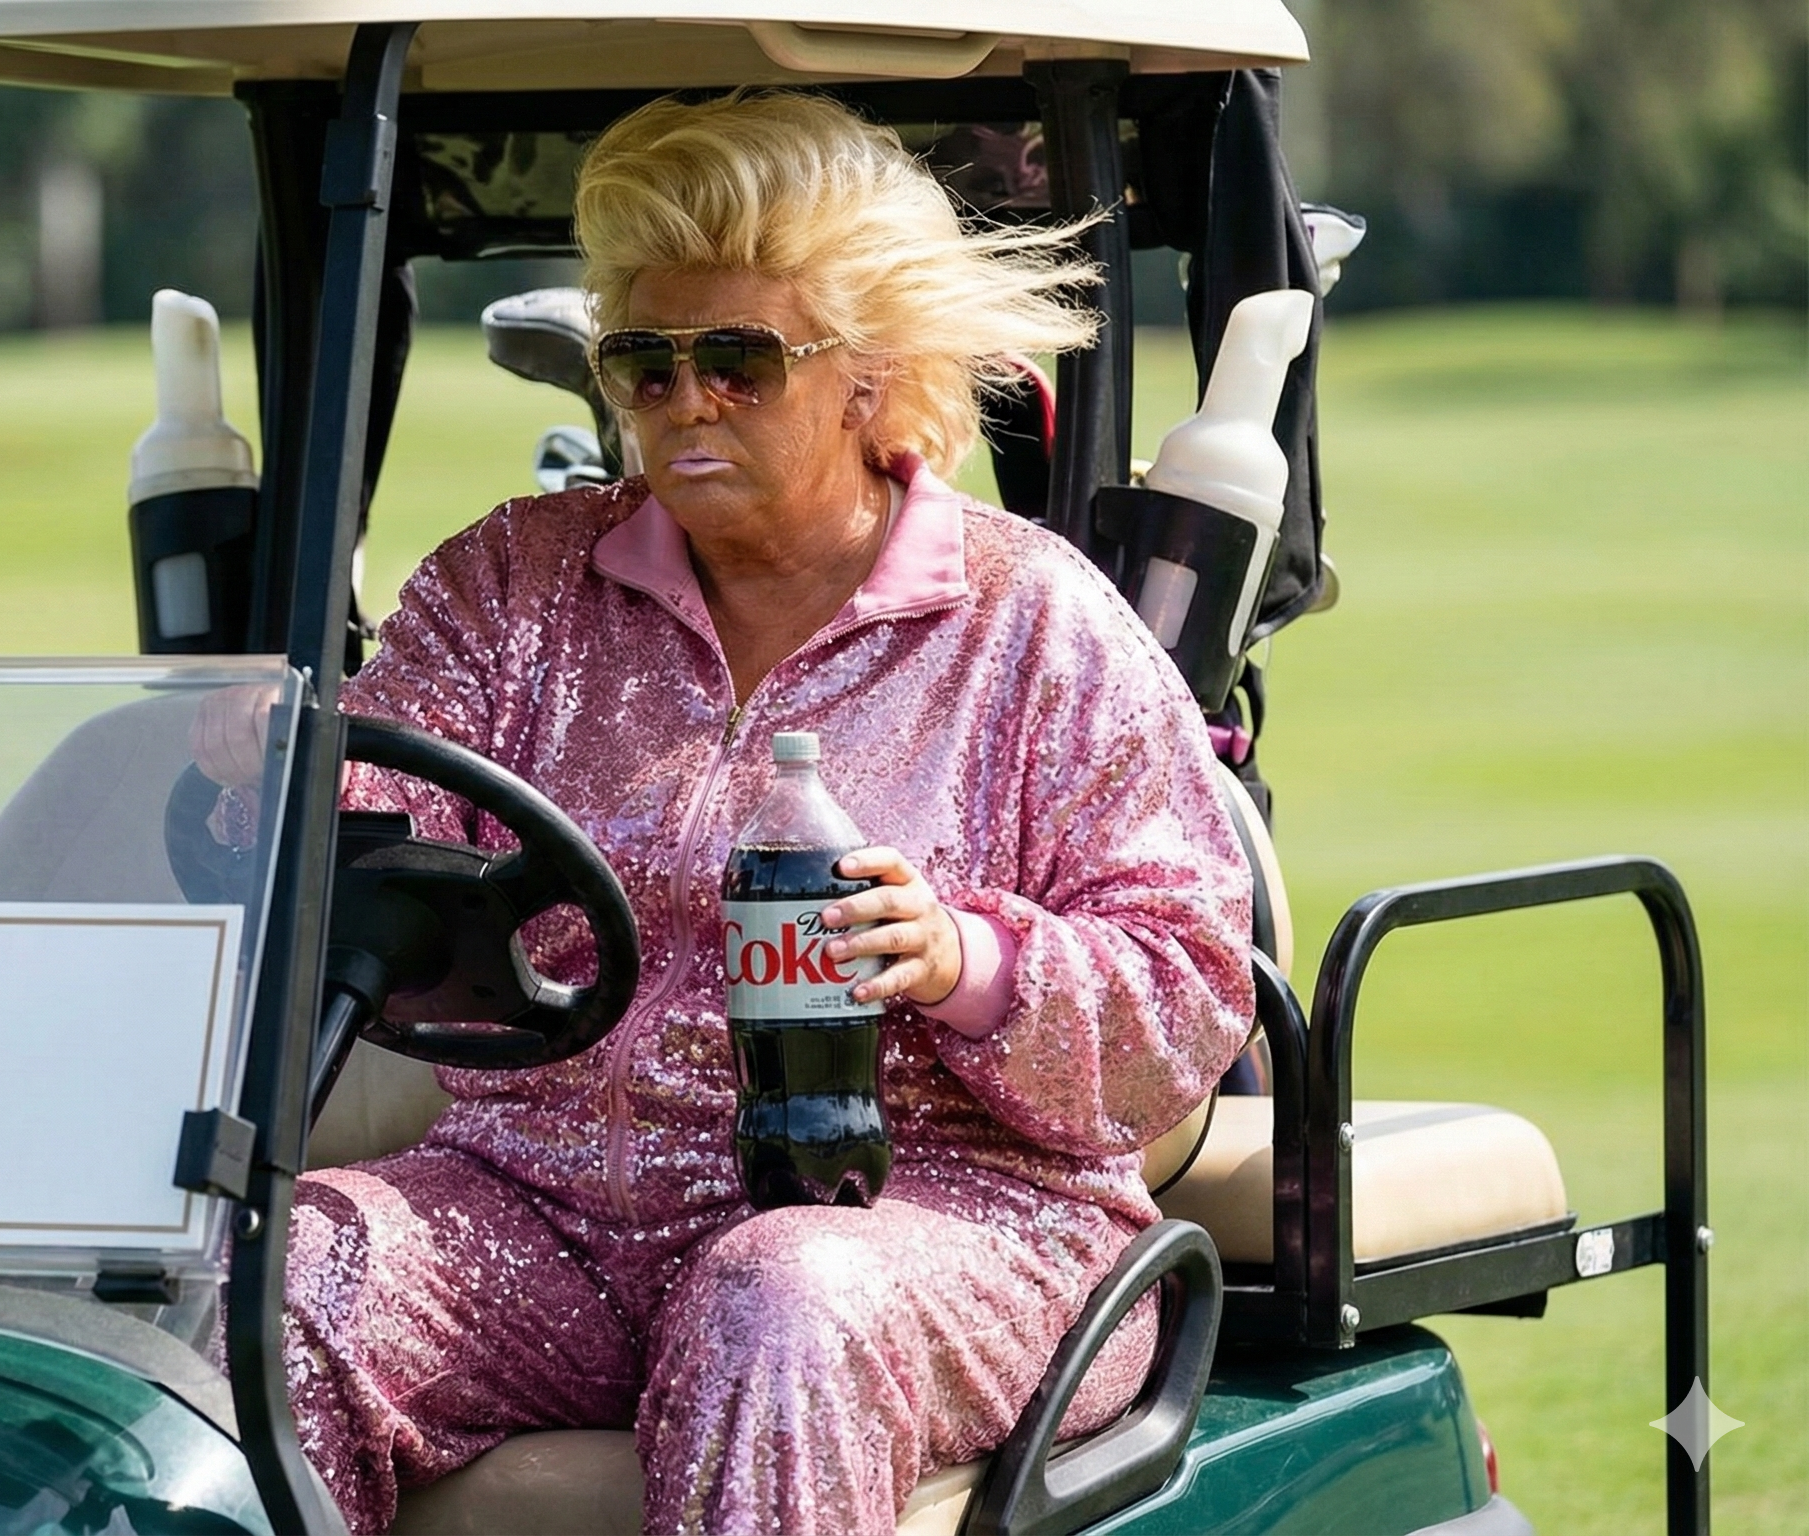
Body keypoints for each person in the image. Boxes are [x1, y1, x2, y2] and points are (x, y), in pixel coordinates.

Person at [196, 91, 1254, 1536]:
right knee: (279, 1283)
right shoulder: (515, 584)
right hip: (541, 1203)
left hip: (935, 1214)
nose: (684, 402)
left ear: (869, 377)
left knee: (779, 1302)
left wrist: (964, 963)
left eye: (741, 361)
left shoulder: (1033, 623)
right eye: (645, 360)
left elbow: (1185, 996)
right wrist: (254, 785)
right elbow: (370, 826)